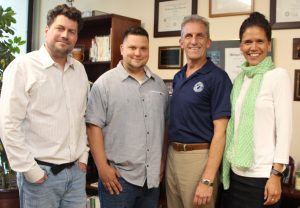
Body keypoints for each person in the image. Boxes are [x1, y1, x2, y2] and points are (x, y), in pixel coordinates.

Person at [0, 4, 89, 207]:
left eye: (71, 31)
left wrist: (83, 156)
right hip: (41, 176)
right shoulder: (22, 68)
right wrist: (30, 170)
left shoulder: (80, 70)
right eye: (60, 28)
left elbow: (81, 116)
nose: (65, 35)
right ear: (47, 30)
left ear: (76, 37)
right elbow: (8, 125)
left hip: (75, 174)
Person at [85, 26, 169, 208]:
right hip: (118, 179)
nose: (137, 53)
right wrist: (102, 169)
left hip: (151, 180)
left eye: (143, 48)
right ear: (122, 49)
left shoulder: (159, 85)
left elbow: (164, 128)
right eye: (132, 48)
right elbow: (93, 127)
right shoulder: (104, 84)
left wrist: (161, 163)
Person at [221, 12, 292, 208]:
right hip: (234, 175)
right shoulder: (240, 79)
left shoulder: (278, 76)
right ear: (241, 45)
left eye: (259, 41)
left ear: (269, 44)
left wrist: (276, 175)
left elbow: (284, 130)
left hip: (262, 177)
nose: (253, 48)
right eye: (247, 42)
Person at [166, 15, 232, 208]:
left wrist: (207, 179)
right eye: (188, 36)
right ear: (181, 42)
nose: (194, 41)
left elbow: (221, 132)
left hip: (199, 158)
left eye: (200, 36)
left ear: (208, 42)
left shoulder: (218, 78)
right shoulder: (178, 77)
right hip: (173, 156)